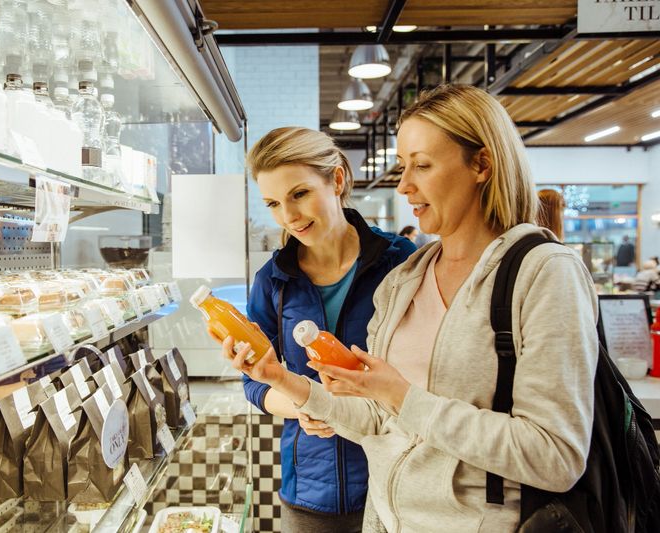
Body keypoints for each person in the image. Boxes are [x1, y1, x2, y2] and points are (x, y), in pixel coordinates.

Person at [222, 86, 598, 531]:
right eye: (403, 166)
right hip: (371, 512)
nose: (403, 185)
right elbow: (379, 418)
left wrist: (401, 395)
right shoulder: (409, 277)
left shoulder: (540, 272)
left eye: (421, 165)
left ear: (482, 164)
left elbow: (555, 456)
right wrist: (282, 380)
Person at [235, 127, 416, 532]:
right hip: (310, 489)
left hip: (395, 476)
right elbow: (254, 384)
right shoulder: (273, 281)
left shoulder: (400, 262)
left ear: (336, 180)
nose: (289, 216)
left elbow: (429, 369)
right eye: (273, 203)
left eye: (299, 194)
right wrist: (303, 405)